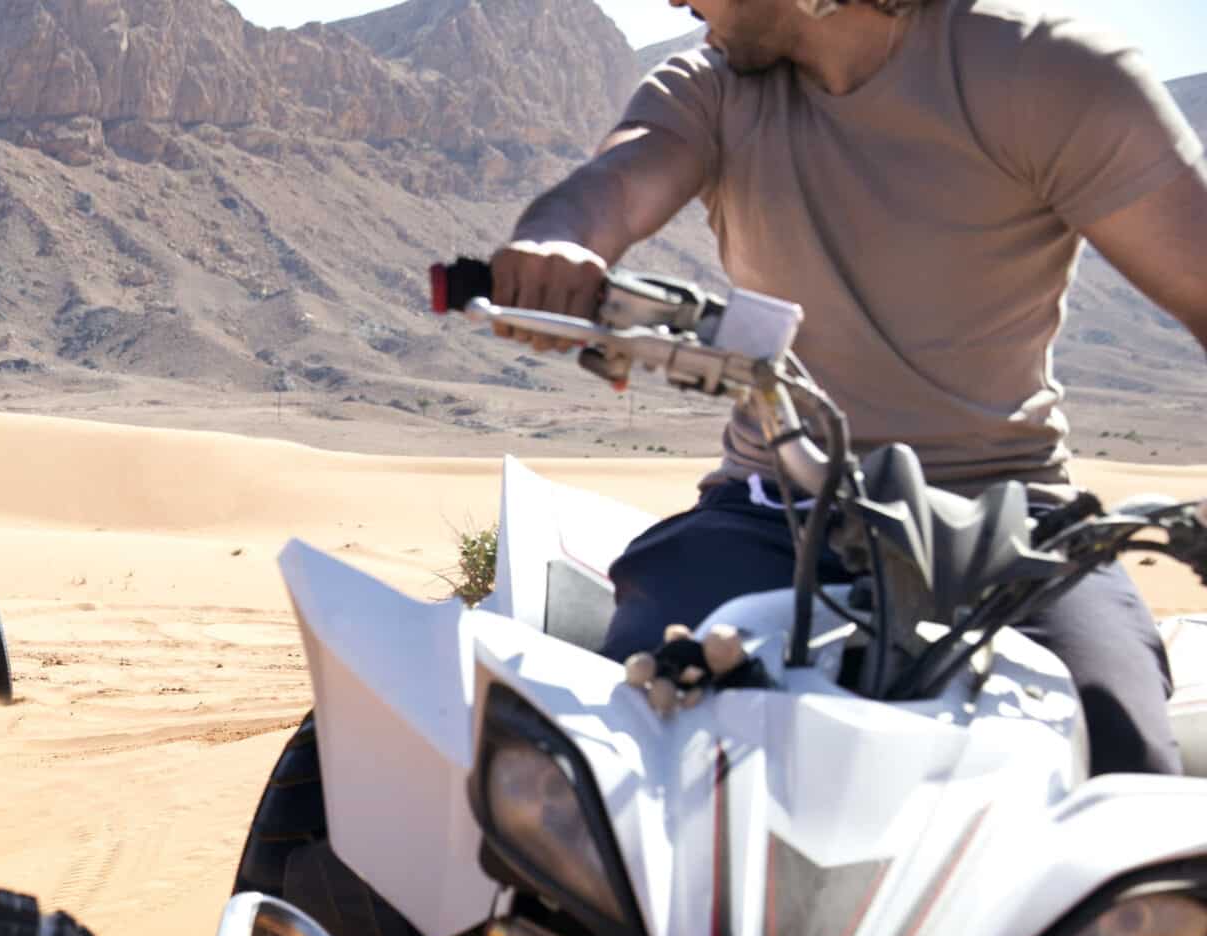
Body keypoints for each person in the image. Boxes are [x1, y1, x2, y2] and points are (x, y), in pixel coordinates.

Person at [495, 0, 1207, 775]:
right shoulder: (712, 87)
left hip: (1010, 527)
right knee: (613, 756)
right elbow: (616, 183)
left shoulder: (1049, 73)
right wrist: (557, 240)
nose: (672, 1)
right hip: (772, 515)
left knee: (1118, 760)